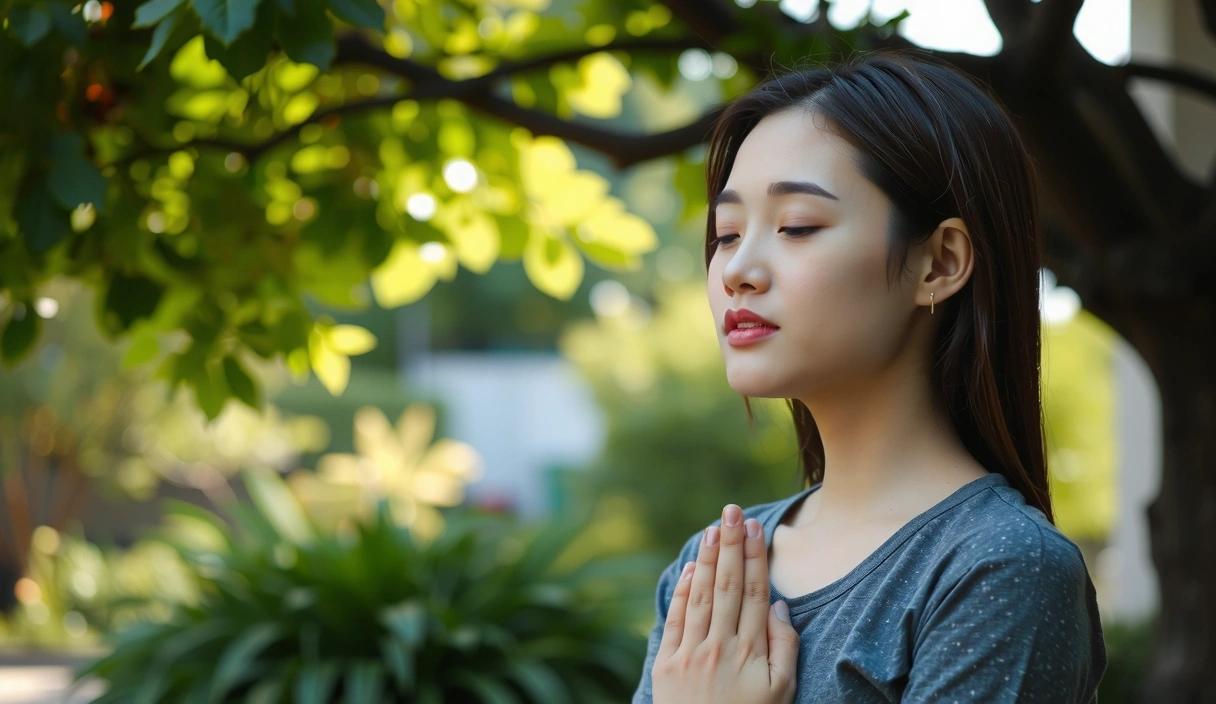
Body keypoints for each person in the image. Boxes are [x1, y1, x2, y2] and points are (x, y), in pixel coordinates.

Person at [632, 50, 1107, 703]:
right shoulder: (713, 571)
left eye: (797, 226)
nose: (739, 269)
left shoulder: (999, 567)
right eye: (727, 232)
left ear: (939, 263)